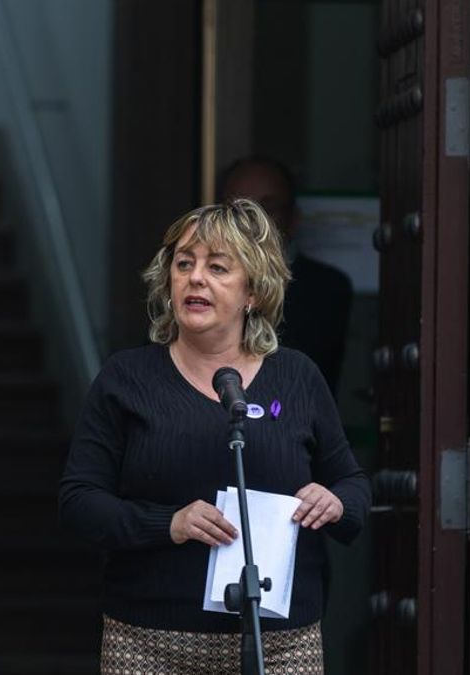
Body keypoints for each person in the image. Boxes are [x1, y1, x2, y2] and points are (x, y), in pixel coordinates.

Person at [59, 199, 370, 674]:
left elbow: (353, 487)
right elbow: (79, 502)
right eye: (184, 264)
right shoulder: (127, 379)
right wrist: (170, 523)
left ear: (253, 292)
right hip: (149, 643)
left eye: (218, 267)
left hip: (281, 646)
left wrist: (335, 502)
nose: (195, 278)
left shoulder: (298, 378)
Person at [219, 157, 353, 396]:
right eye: (238, 208)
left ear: (293, 219)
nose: (252, 220)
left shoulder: (327, 288)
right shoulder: (190, 281)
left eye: (267, 208)